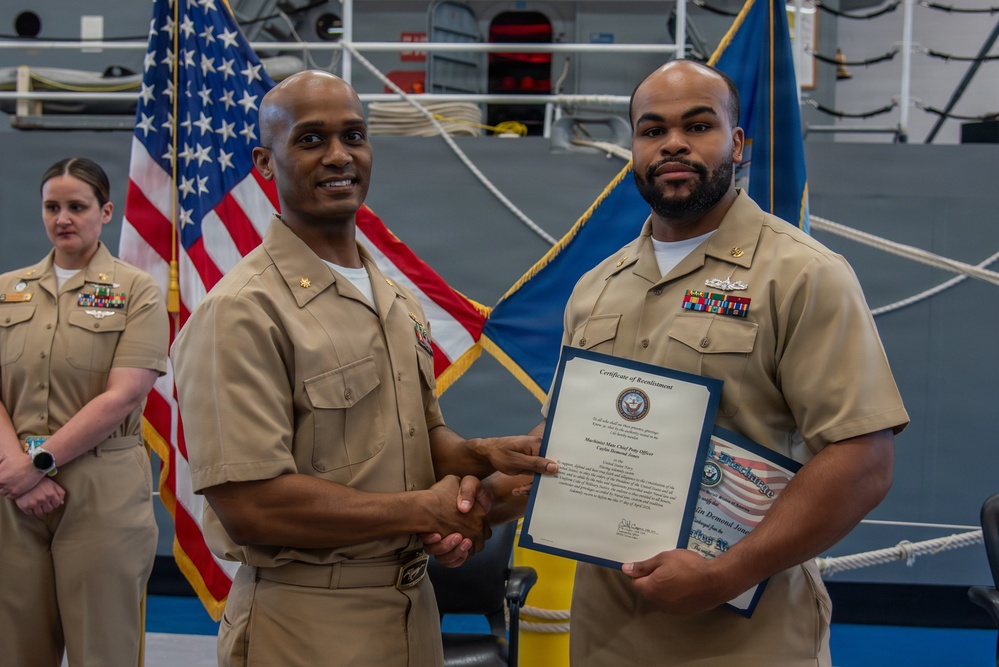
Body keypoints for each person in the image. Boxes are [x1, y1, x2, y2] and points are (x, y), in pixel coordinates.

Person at [170, 69, 557, 667]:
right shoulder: (242, 312)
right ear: (265, 163)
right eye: (310, 139)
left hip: (410, 609)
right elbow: (251, 507)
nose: (338, 156)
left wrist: (482, 455)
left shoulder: (393, 299)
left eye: (353, 135)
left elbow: (414, 440)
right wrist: (420, 510)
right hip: (305, 624)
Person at [536, 60, 908, 665]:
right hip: (605, 629)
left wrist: (725, 574)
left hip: (744, 635)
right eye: (652, 130)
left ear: (737, 143)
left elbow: (864, 461)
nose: (673, 143)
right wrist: (482, 489)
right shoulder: (596, 288)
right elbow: (568, 441)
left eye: (698, 125)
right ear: (633, 148)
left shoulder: (803, 275)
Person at [0, 157, 169, 666]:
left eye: (77, 206)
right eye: (53, 207)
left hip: (103, 487)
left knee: (104, 649)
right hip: (13, 491)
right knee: (15, 647)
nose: (63, 218)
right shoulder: (7, 290)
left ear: (107, 212)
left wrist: (37, 465)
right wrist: (17, 471)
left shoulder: (136, 290)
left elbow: (123, 395)